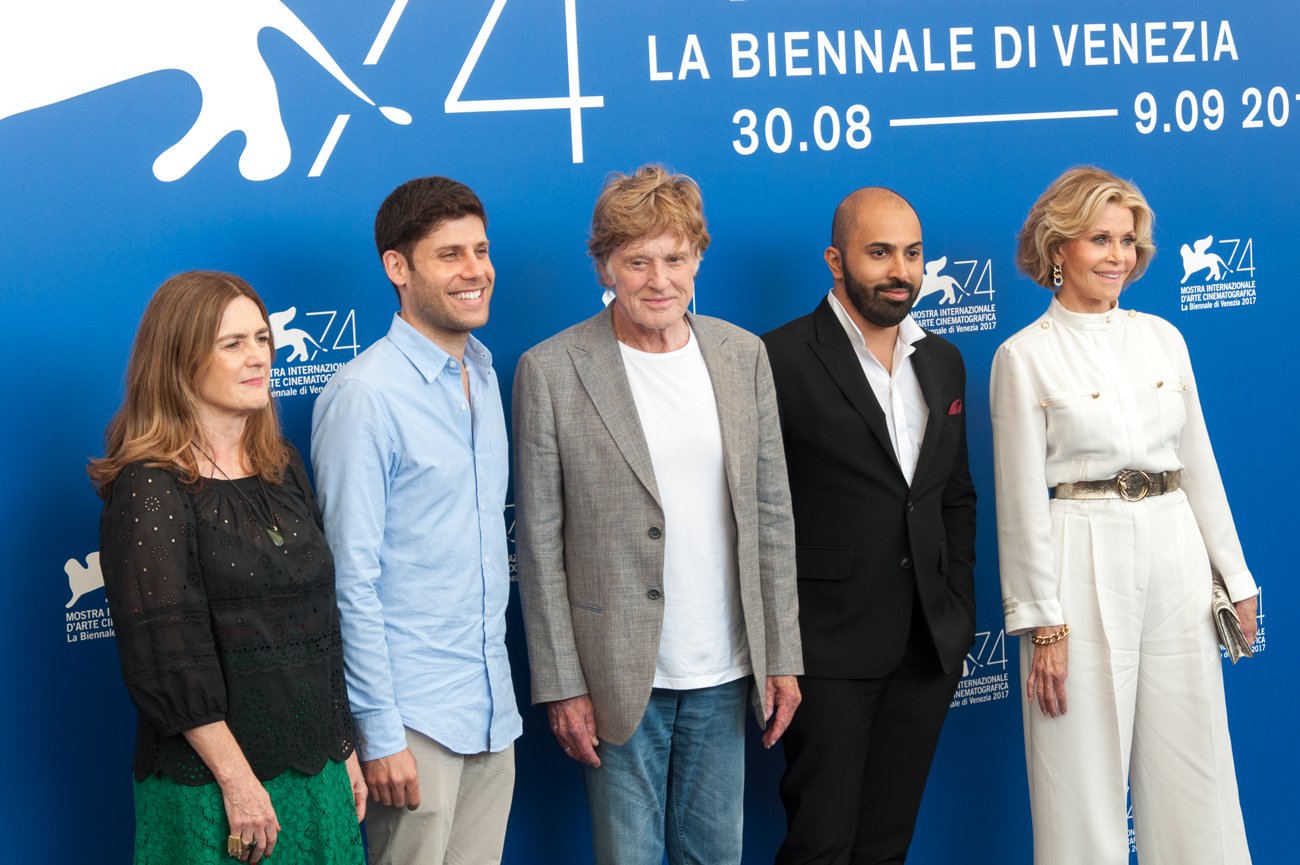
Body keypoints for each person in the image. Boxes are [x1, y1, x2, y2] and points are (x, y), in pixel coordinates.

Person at [512, 164, 803, 865]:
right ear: (605, 265)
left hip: (725, 666)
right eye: (637, 261)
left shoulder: (742, 355)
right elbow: (540, 542)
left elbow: (771, 513)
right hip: (615, 675)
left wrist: (782, 654)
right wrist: (561, 683)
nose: (659, 279)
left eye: (675, 258)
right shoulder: (551, 369)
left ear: (698, 258)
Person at [990, 166, 1257, 865]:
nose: (1117, 255)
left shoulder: (1165, 337)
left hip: (1175, 549)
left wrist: (1236, 576)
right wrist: (1043, 620)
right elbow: (1019, 500)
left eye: (1128, 239)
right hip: (1081, 555)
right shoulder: (1022, 357)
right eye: (1098, 239)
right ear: (1057, 248)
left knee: (1195, 764)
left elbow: (1198, 461)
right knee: (1078, 777)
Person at [91, 271, 366, 865]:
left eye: (262, 339)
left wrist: (343, 748)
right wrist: (239, 785)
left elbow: (320, 624)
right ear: (179, 359)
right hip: (216, 787)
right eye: (233, 344)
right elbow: (166, 657)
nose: (259, 357)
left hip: (314, 768)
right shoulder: (149, 485)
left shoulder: (281, 464)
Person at [763, 188, 977, 864]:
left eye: (912, 253)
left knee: (887, 845)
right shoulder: (777, 358)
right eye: (879, 252)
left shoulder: (942, 359)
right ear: (835, 259)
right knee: (819, 844)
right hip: (825, 654)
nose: (900, 271)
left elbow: (954, 499)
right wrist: (782, 647)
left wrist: (958, 610)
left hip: (925, 649)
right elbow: (760, 514)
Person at [311, 176, 521, 864]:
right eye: (450, 254)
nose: (475, 271)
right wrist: (379, 730)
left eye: (481, 250)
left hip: (492, 710)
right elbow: (350, 578)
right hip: (413, 724)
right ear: (397, 268)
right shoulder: (365, 396)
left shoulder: (486, 376)